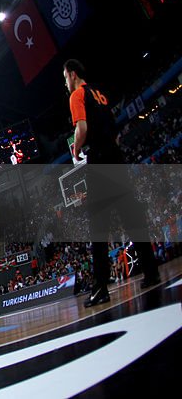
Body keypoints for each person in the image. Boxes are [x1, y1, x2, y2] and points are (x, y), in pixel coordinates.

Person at [63, 59, 160, 307]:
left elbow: (81, 128)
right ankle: (151, 272)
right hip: (116, 156)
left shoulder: (77, 96)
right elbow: (112, 127)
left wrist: (76, 148)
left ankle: (100, 288)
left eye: (65, 77)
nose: (65, 82)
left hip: (100, 160)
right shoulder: (99, 93)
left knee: (98, 226)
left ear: (73, 74)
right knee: (132, 217)